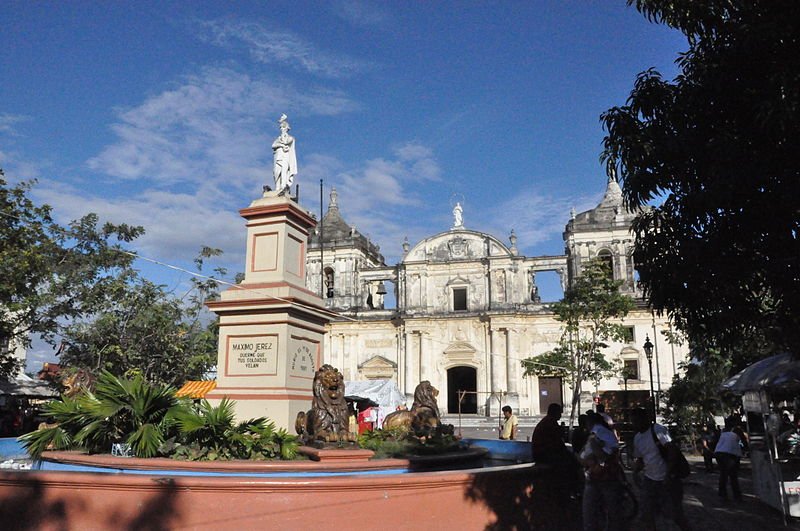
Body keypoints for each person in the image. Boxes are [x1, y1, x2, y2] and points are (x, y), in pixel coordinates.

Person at [631, 408, 690, 530]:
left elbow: (672, 450)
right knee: (646, 513)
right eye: (633, 421)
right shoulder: (637, 438)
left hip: (667, 479)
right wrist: (635, 472)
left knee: (674, 514)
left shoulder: (658, 430)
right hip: (650, 479)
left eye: (637, 420)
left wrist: (668, 473)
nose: (635, 423)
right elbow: (641, 458)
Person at [580, 411, 623, 531]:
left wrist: (593, 448)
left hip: (604, 477)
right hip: (597, 477)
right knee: (606, 512)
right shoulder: (600, 433)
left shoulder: (599, 434)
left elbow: (605, 456)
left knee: (592, 513)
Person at [715, 416, 743, 500]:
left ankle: (722, 493)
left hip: (719, 452)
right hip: (729, 454)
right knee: (733, 475)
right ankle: (736, 496)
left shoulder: (724, 431)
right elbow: (744, 441)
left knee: (724, 474)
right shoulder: (737, 431)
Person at [272, 114, 297, 195]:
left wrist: (282, 140)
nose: (281, 129)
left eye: (283, 127)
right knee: (276, 172)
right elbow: (273, 145)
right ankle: (277, 187)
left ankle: (282, 187)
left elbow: (287, 141)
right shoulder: (278, 139)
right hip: (278, 156)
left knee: (284, 171)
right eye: (281, 127)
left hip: (286, 157)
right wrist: (281, 145)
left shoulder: (291, 138)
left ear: (286, 128)